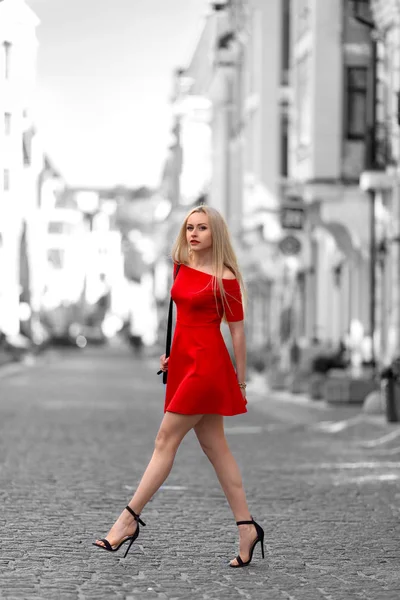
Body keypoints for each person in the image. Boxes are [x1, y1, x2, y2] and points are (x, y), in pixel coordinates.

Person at [93, 205, 264, 568]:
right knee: (217, 449)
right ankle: (247, 527)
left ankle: (127, 520)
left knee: (164, 440)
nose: (194, 233)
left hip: (208, 366)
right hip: (185, 363)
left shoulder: (226, 277)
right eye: (190, 227)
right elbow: (182, 318)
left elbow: (236, 331)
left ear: (215, 233)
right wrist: (171, 356)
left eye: (202, 227)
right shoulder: (180, 267)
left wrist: (241, 379)